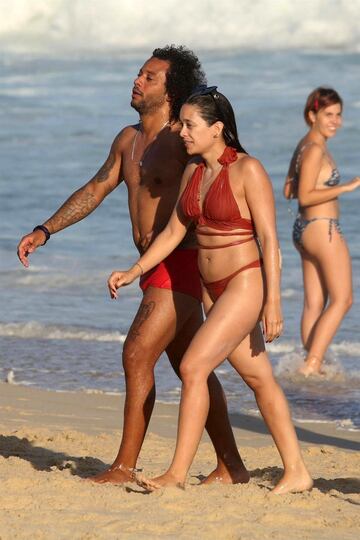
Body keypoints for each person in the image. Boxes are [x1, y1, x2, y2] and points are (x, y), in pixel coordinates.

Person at [17, 46, 249, 485]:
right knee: (189, 367)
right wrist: (45, 230)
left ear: (171, 91)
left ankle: (124, 467)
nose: (137, 81)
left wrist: (233, 269)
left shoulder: (183, 140)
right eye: (139, 73)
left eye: (150, 77)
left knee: (136, 352)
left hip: (178, 261)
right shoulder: (128, 139)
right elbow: (97, 187)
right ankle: (232, 465)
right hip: (151, 267)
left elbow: (226, 178)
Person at [107, 86, 313, 494]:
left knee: (193, 367)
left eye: (189, 124)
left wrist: (273, 301)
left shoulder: (247, 170)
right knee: (259, 378)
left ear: (217, 129)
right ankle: (297, 470)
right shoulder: (195, 171)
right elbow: (175, 231)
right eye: (181, 123)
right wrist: (136, 269)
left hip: (243, 283)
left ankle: (176, 475)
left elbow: (269, 240)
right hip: (210, 289)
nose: (182, 131)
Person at [284, 87, 360, 377]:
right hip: (322, 229)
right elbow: (303, 196)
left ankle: (310, 362)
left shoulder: (304, 145)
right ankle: (312, 364)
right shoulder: (315, 148)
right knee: (343, 299)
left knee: (314, 302)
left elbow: (288, 189)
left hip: (303, 230)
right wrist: (345, 187)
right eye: (329, 114)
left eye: (339, 114)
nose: (336, 121)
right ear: (312, 114)